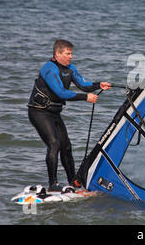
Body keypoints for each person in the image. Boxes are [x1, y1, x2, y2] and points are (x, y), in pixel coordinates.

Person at [28, 39, 111, 192]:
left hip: (54, 113)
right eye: (67, 54)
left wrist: (98, 84)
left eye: (71, 53)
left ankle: (73, 182)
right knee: (54, 143)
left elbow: (83, 85)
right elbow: (61, 92)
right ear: (57, 54)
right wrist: (86, 98)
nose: (71, 57)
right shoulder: (49, 68)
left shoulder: (70, 68)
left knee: (66, 146)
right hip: (39, 111)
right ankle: (53, 183)